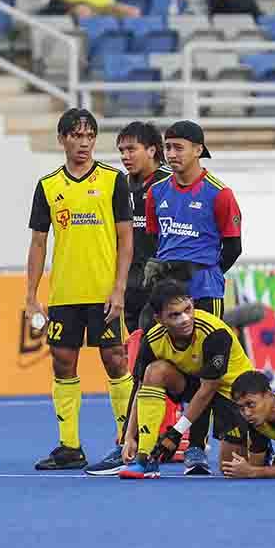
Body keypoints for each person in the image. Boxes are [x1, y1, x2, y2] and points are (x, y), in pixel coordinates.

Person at [26, 108, 134, 470]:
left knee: (115, 359)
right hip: (65, 293)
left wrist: (119, 289)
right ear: (62, 140)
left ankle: (127, 442)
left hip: (103, 292)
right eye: (76, 135)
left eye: (90, 136)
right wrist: (31, 297)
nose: (84, 143)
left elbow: (125, 238)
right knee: (62, 362)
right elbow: (38, 243)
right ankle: (70, 446)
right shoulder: (48, 185)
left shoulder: (113, 180)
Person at [142, 120, 243, 475]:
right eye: (167, 147)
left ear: (198, 150)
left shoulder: (220, 193)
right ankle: (141, 443)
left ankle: (196, 448)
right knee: (154, 366)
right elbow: (154, 239)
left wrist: (202, 273)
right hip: (166, 293)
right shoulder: (156, 192)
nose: (171, 154)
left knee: (205, 371)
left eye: (178, 147)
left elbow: (233, 247)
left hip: (204, 291)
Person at [84, 121, 171, 476]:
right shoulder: (120, 185)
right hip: (129, 290)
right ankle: (155, 441)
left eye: (131, 149)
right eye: (121, 150)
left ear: (152, 149)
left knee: (148, 369)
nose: (125, 156)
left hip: (161, 293)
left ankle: (132, 446)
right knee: (142, 366)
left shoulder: (168, 185)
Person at [119, 279, 269, 479]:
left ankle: (259, 443)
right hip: (196, 385)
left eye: (187, 310)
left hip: (232, 393)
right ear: (159, 319)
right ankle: (144, 458)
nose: (184, 319)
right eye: (174, 315)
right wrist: (129, 436)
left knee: (231, 469)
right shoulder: (153, 340)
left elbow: (208, 390)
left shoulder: (214, 333)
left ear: (192, 303)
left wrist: (175, 434)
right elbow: (140, 388)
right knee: (154, 372)